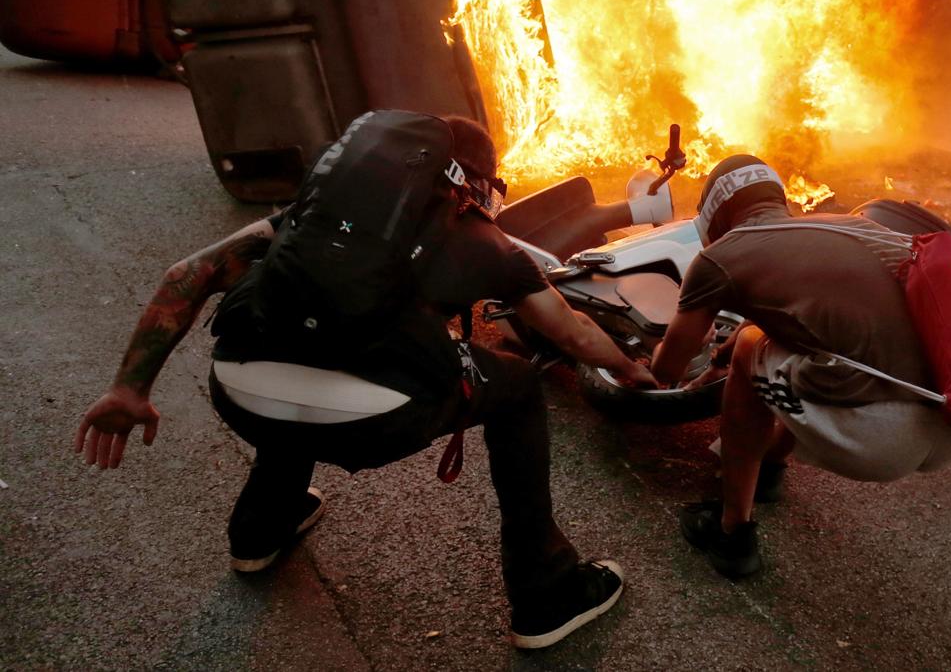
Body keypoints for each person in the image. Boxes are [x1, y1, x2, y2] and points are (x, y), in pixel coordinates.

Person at [74, 112, 657, 649]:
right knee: (519, 390)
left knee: (301, 330)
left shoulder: (309, 216)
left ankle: (261, 530)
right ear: (474, 183)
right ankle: (546, 593)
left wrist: (130, 388)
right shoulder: (487, 243)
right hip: (375, 422)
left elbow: (188, 274)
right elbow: (573, 334)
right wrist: (632, 370)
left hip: (241, 393)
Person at [648, 156, 951, 578]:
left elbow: (669, 369)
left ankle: (732, 535)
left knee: (750, 348)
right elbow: (791, 313)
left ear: (712, 215)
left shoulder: (721, 256)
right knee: (796, 347)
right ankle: (769, 470)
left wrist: (661, 355)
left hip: (879, 439)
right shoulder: (847, 226)